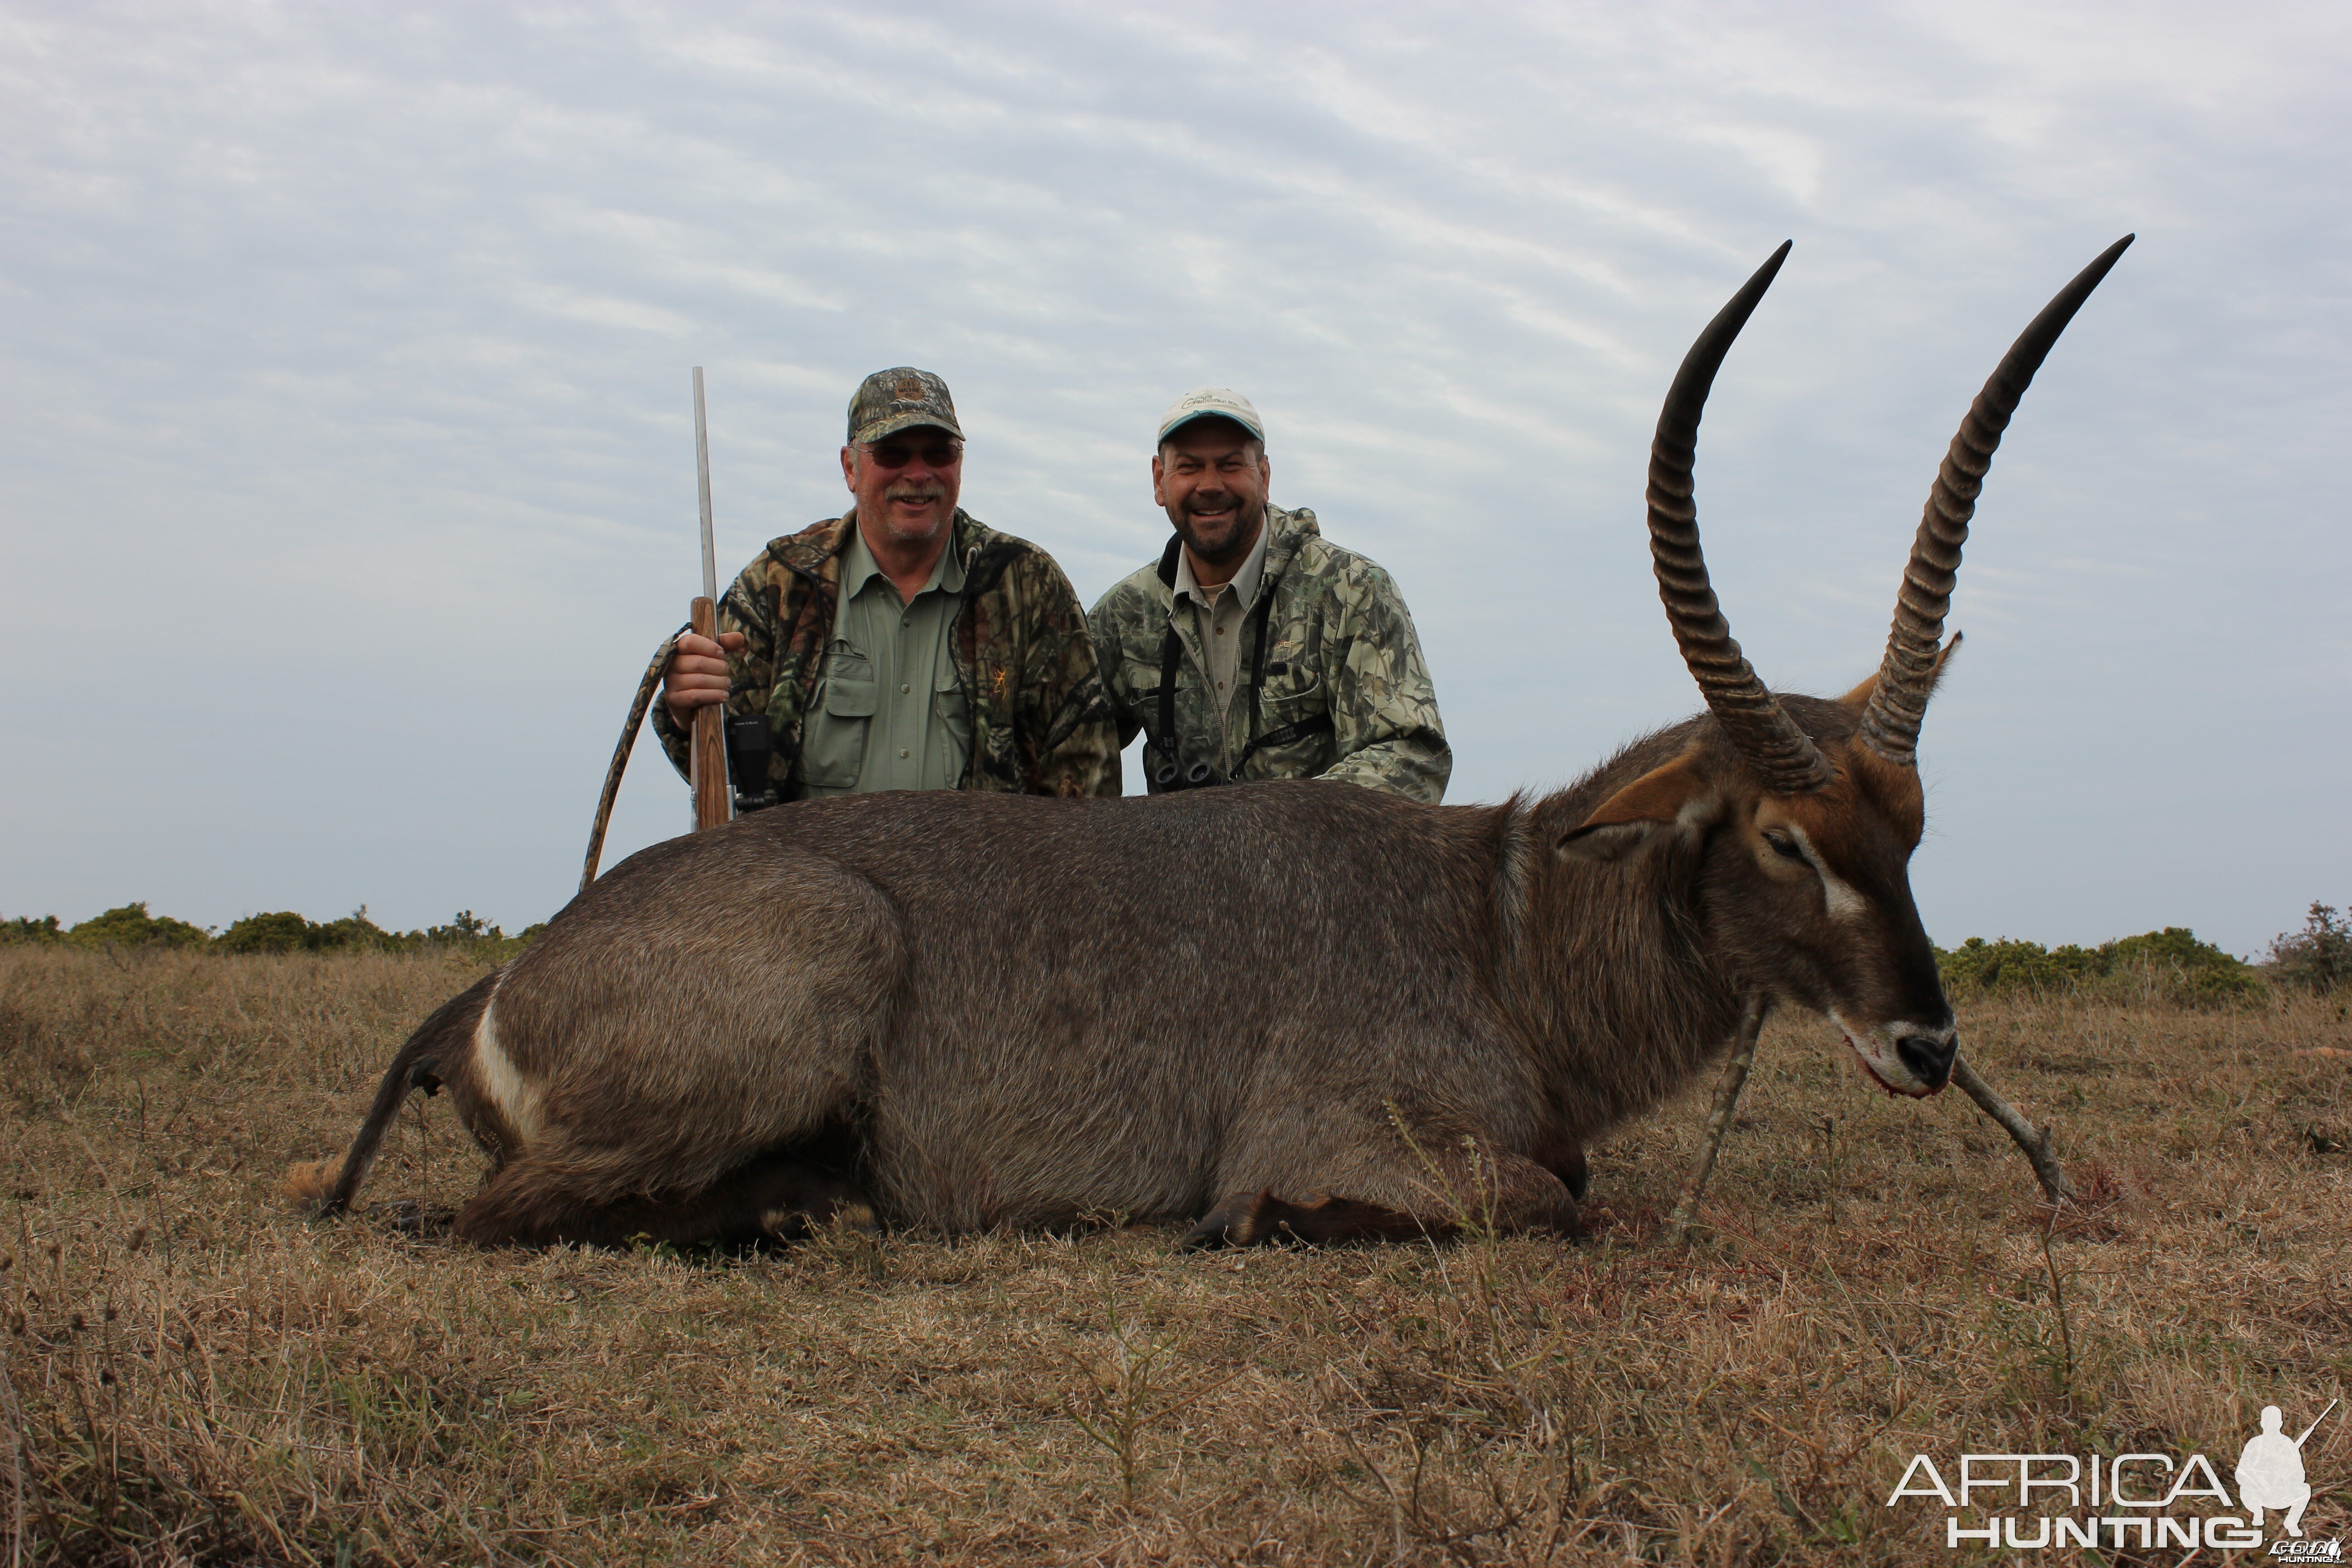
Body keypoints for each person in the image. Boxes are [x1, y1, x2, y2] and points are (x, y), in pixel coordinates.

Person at [656, 368, 1118, 800]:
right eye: (892, 454)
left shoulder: (1027, 585)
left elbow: (1087, 769)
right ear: (850, 467)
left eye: (938, 453)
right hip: (813, 884)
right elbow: (726, 772)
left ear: (960, 463)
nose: (918, 474)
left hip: (979, 885)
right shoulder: (779, 583)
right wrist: (686, 711)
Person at [1089, 388, 1450, 800]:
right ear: (1159, 481)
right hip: (1175, 864)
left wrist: (1270, 832)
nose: (1209, 485)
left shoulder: (1350, 590)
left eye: (1230, 465)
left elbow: (1411, 755)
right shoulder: (1123, 615)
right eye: (1189, 467)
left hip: (1317, 862)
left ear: (1263, 477)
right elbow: (1063, 757)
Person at [2235, 1405, 2314, 1536]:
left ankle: (2292, 1522)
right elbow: (2241, 1473)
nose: (2271, 1425)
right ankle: (2257, 1514)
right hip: (2259, 1494)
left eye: (2275, 1422)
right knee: (2244, 1489)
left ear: (2281, 1423)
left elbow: (2300, 1474)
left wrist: (2286, 1476)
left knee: (2305, 1489)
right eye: (2268, 1422)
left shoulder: (2288, 1445)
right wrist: (2258, 1479)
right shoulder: (2254, 1444)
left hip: (2281, 1493)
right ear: (2262, 1423)